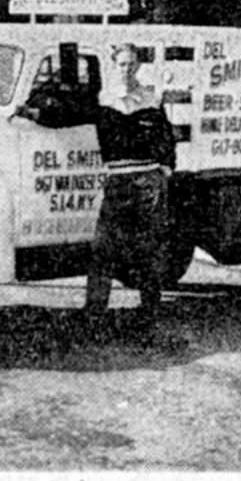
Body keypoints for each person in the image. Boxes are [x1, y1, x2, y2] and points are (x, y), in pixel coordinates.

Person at [85, 43, 176, 326]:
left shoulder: (150, 99)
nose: (126, 70)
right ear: (114, 66)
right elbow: (67, 115)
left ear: (138, 66)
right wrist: (32, 113)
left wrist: (166, 169)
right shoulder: (102, 100)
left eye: (131, 64)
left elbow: (166, 138)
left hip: (148, 181)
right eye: (121, 64)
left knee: (149, 249)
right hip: (118, 180)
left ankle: (151, 312)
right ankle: (95, 314)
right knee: (104, 248)